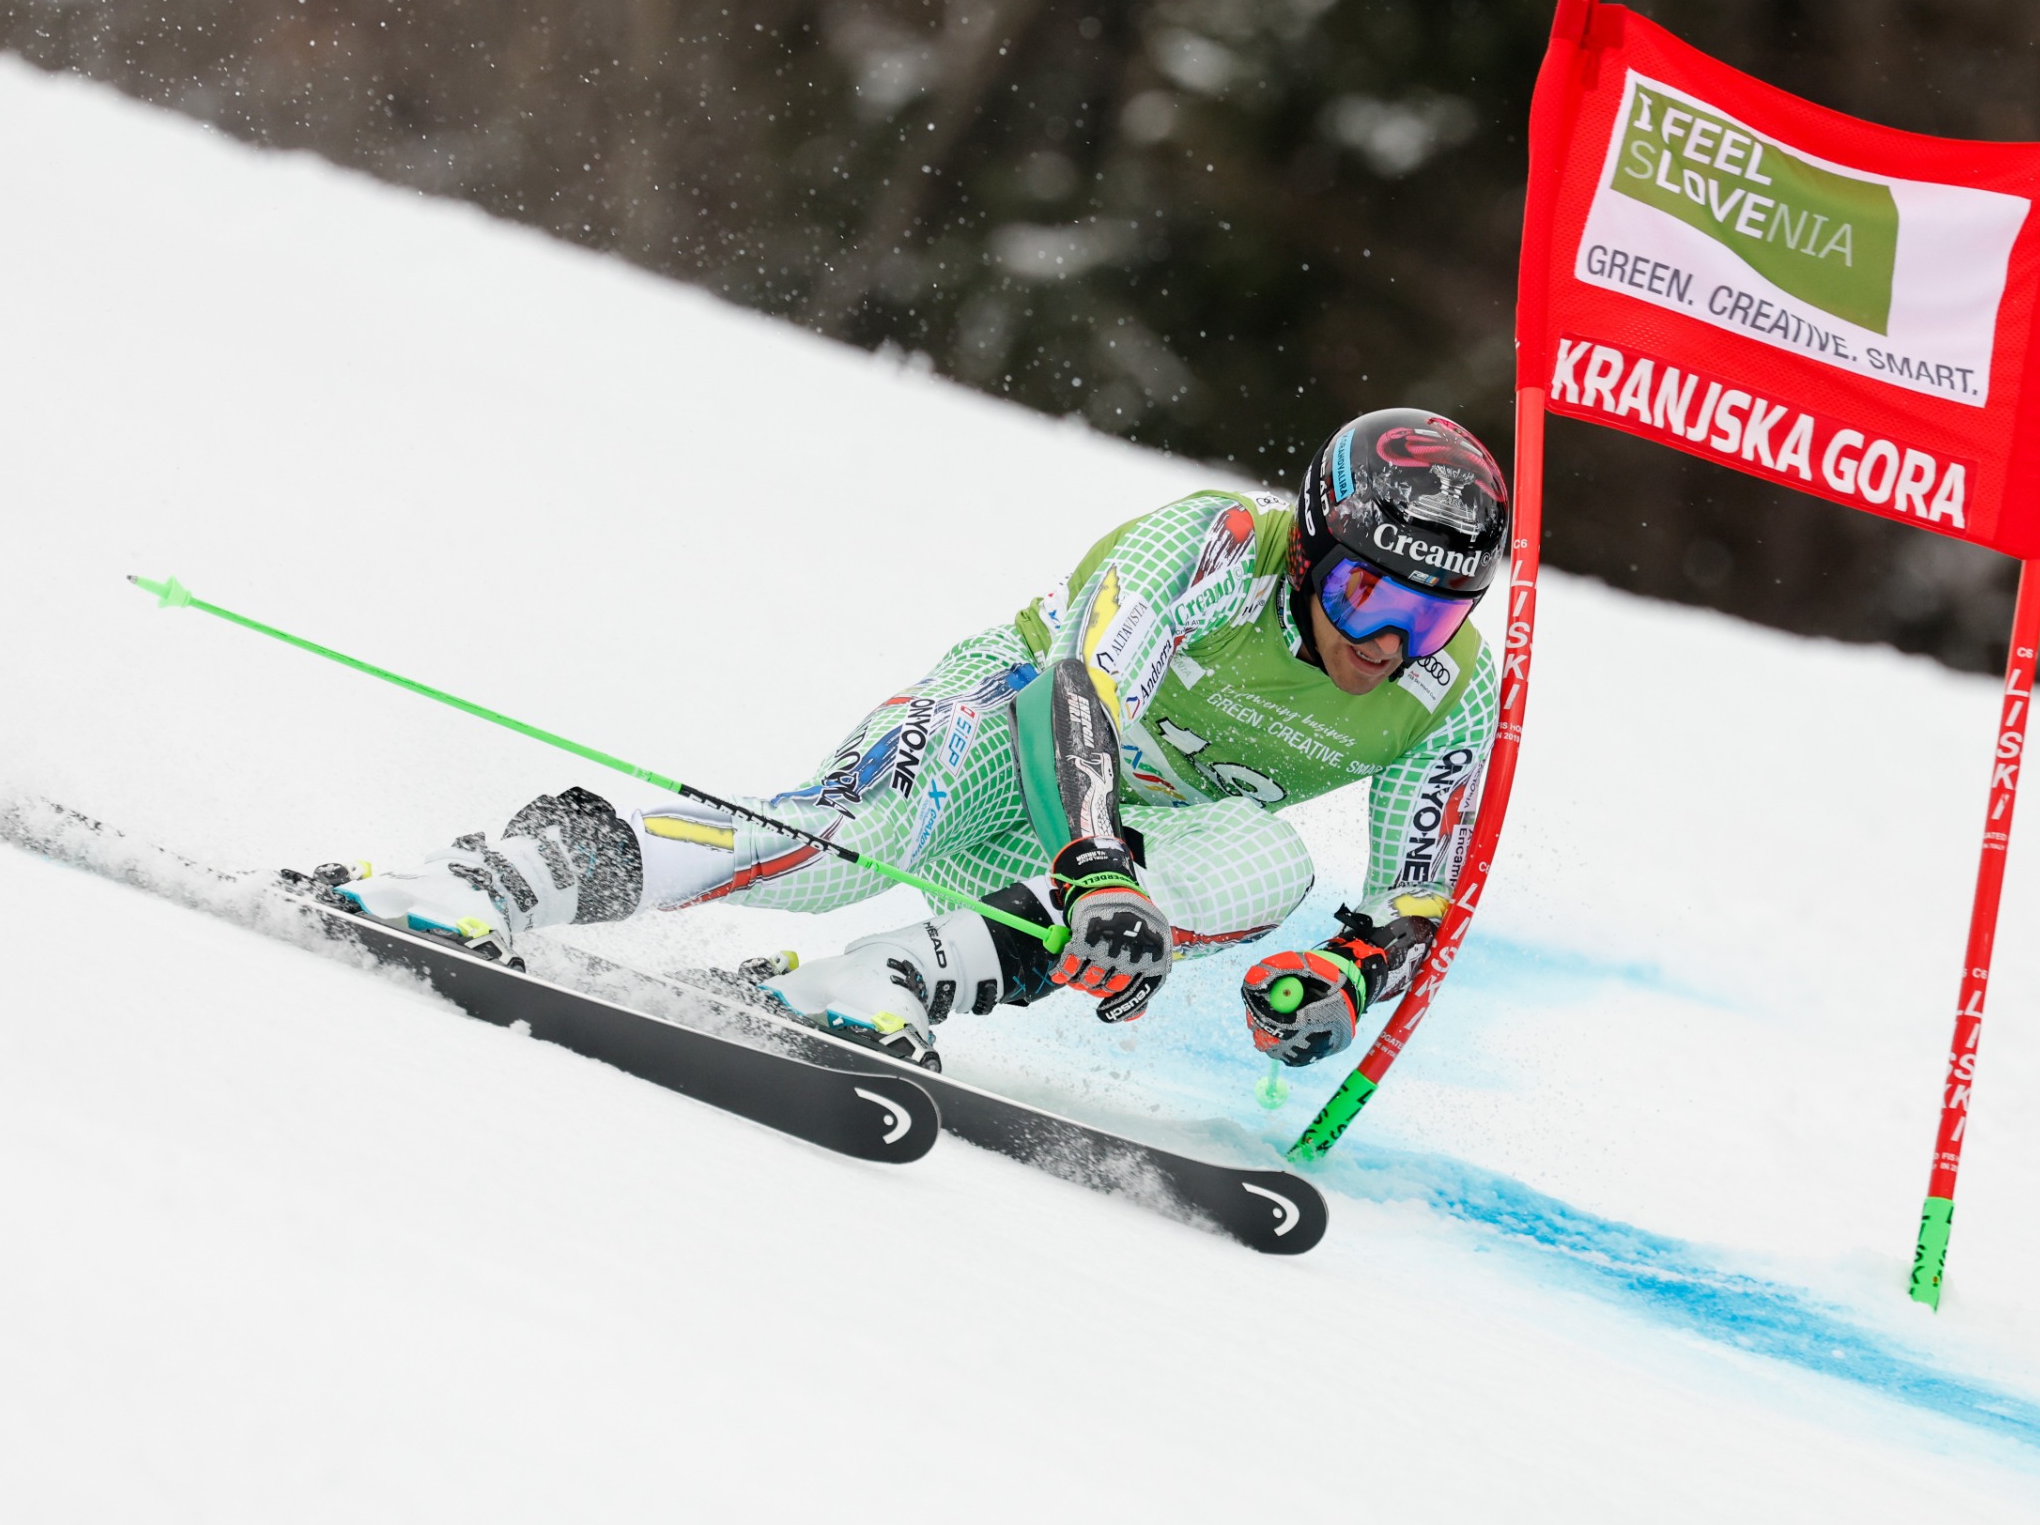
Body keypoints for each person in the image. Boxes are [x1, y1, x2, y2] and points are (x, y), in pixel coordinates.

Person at [320, 407, 1505, 1073]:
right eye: (1369, 596)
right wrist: (1095, 865)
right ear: (1307, 548)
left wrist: (1345, 981)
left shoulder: (1451, 688)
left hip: (1138, 836)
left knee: (1267, 865)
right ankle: (496, 875)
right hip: (1015, 728)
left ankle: (887, 979)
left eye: (1435, 610)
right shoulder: (1207, 546)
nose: (1390, 644)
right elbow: (1071, 692)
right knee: (843, 842)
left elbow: (1415, 892)